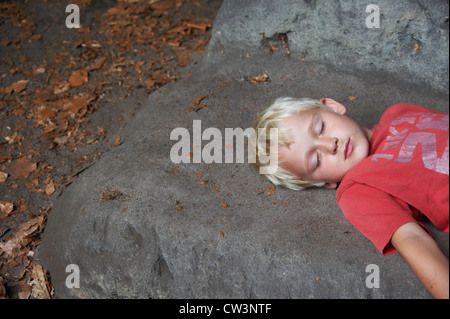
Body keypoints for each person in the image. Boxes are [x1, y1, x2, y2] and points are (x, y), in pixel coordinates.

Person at [254, 97, 449, 299]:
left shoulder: (398, 113)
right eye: (316, 160)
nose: (330, 145)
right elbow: (412, 239)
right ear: (325, 182)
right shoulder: (357, 188)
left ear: (332, 106)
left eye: (320, 128)